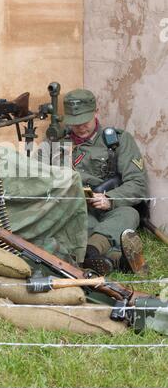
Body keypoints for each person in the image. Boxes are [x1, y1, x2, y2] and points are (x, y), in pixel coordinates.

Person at [62, 88, 149, 275]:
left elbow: (138, 184)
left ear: (96, 112)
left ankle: (90, 253)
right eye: (74, 123)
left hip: (112, 209)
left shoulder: (118, 140)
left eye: (84, 121)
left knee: (129, 215)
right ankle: (116, 260)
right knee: (76, 222)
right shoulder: (57, 144)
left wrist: (110, 198)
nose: (80, 127)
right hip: (77, 210)